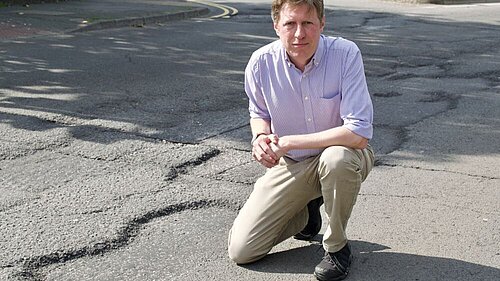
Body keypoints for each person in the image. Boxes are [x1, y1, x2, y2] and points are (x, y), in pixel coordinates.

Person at [227, 0, 374, 280]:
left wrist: (290, 141)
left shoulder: (345, 55)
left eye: (307, 23)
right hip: (293, 163)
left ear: (322, 23)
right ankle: (306, 213)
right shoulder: (260, 63)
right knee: (242, 250)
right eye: (290, 24)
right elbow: (258, 113)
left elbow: (358, 133)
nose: (299, 34)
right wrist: (260, 137)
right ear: (276, 26)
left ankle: (336, 246)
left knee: (336, 159)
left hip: (344, 155)